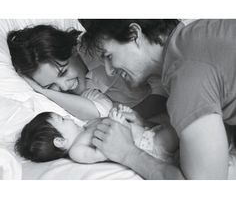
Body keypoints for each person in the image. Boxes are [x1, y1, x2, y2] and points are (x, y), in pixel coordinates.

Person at [80, 19, 236, 180]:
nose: (109, 70)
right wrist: (148, 126)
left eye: (109, 56)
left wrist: (128, 153)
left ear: (134, 34)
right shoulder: (201, 33)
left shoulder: (185, 77)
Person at [7, 25, 166, 121]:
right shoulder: (73, 95)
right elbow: (95, 111)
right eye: (51, 85)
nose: (63, 86)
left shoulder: (99, 47)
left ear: (73, 50)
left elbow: (160, 84)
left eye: (63, 72)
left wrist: (125, 119)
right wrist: (44, 91)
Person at [15, 105, 178, 164]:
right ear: (60, 141)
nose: (67, 117)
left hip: (146, 132)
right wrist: (117, 124)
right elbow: (104, 153)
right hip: (148, 145)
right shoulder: (77, 151)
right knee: (179, 127)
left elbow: (105, 120)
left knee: (172, 119)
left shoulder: (86, 127)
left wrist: (119, 115)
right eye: (62, 120)